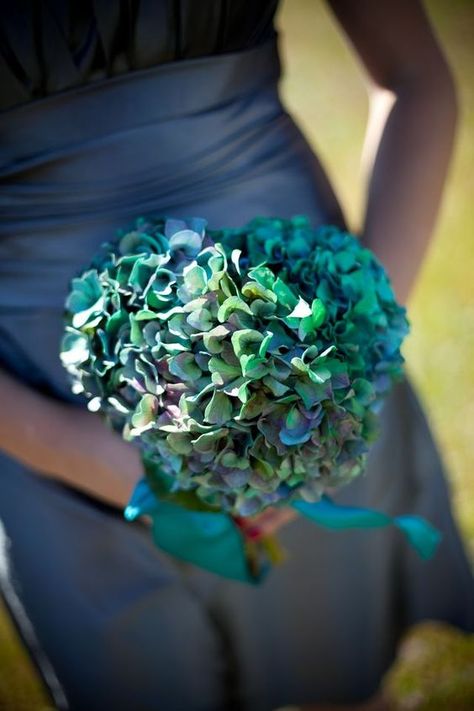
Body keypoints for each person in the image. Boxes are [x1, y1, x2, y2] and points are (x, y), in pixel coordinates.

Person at [0, 1, 472, 709]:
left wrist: (350, 363)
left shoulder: (327, 372)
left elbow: (418, 79)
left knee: (333, 672)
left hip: (302, 345)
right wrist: (79, 453)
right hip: (43, 392)